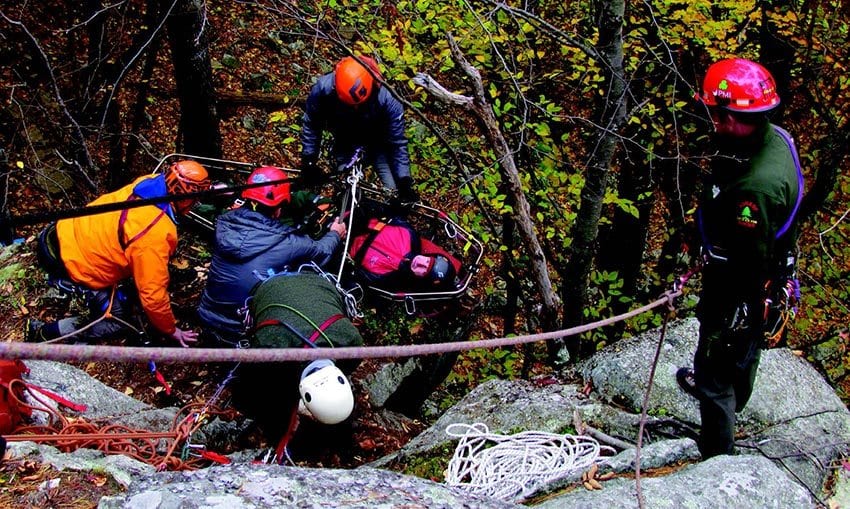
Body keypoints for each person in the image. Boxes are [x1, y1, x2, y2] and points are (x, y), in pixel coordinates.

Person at [677, 58, 804, 459]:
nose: (711, 121)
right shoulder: (774, 138)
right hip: (759, 265)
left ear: (731, 117)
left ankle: (716, 451)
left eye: (716, 114)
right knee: (745, 346)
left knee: (718, 356)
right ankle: (729, 399)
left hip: (742, 277)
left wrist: (741, 306)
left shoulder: (757, 188)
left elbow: (749, 259)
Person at [28, 160, 211, 346]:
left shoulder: (150, 181)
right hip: (70, 262)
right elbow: (153, 295)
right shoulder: (155, 233)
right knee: (116, 320)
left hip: (63, 232)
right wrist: (171, 330)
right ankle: (45, 333)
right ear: (185, 197)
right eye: (194, 199)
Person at [197, 166, 347, 345]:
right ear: (279, 208)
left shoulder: (224, 224)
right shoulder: (287, 242)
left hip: (207, 315)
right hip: (239, 331)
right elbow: (323, 251)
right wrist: (335, 234)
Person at [230, 271, 363, 463]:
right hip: (271, 289)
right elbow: (248, 386)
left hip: (316, 284)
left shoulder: (351, 341)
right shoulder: (270, 345)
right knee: (271, 389)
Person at [300, 56, 419, 203]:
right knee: (346, 194)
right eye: (350, 105)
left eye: (359, 105)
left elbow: (397, 143)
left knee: (393, 191)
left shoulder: (387, 99)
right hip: (344, 142)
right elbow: (312, 124)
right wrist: (309, 160)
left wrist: (404, 181)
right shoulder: (323, 89)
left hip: (378, 145)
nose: (355, 108)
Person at [348, 215, 458, 293]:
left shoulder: (387, 279)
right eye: (428, 261)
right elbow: (390, 214)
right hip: (358, 216)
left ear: (421, 279)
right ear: (429, 256)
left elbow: (353, 270)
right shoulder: (409, 235)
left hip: (342, 242)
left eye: (424, 270)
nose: (420, 263)